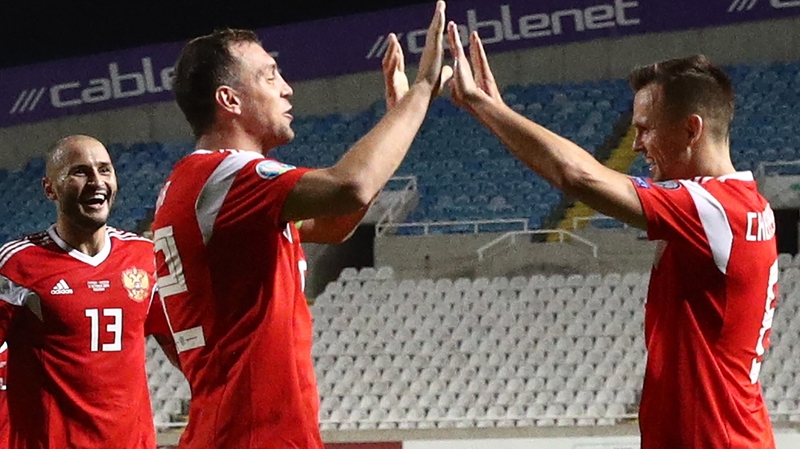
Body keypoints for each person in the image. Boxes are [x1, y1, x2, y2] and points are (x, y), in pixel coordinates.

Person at [446, 25, 777, 449]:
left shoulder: (716, 209)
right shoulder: (748, 206)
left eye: (647, 128)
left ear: (692, 130)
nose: (637, 144)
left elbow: (577, 175)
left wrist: (485, 107)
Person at [150, 2, 449, 448]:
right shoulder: (226, 176)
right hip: (251, 435)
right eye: (269, 75)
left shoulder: (203, 184)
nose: (287, 89)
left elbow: (334, 223)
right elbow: (351, 187)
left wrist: (398, 116)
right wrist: (421, 91)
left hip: (244, 428)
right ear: (229, 100)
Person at [0, 135, 177, 449]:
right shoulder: (17, 264)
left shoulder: (144, 257)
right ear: (50, 189)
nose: (97, 182)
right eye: (80, 172)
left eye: (105, 170)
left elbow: (180, 347)